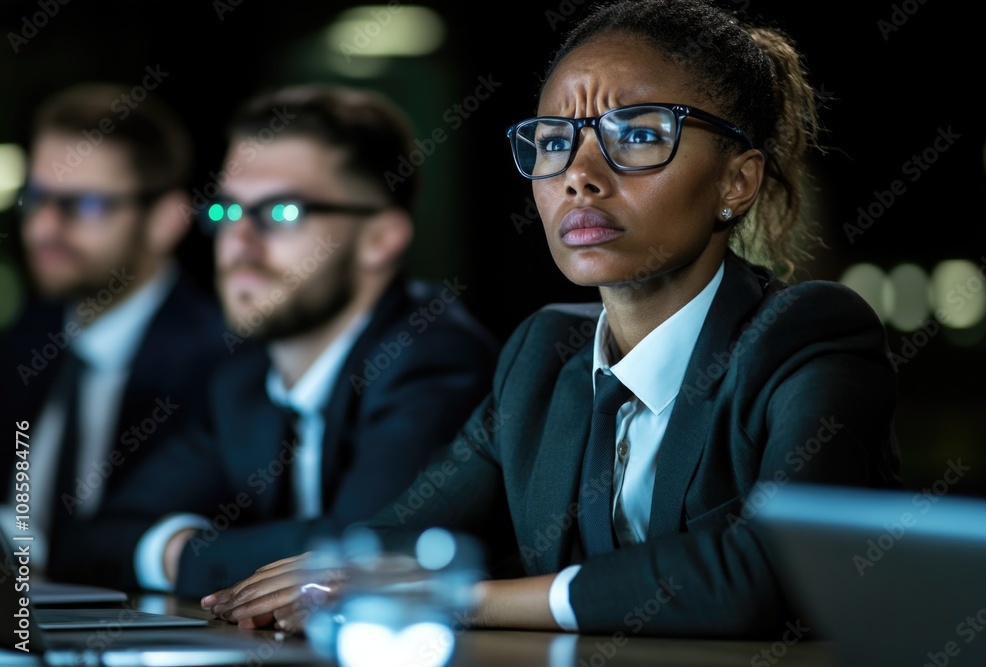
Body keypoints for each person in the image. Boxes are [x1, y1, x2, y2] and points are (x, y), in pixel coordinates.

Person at [198, 0, 903, 638]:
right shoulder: (543, 352)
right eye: (554, 140)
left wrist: (455, 597)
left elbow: (768, 574)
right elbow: (395, 536)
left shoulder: (807, 334)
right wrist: (323, 575)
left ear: (736, 181)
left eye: (638, 134)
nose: (580, 174)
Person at [46, 83, 500, 599]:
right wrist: (182, 552)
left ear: (380, 238)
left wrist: (192, 556)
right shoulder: (241, 382)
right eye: (225, 211)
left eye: (282, 212)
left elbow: (368, 556)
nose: (237, 242)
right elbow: (88, 540)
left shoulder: (434, 358)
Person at [0, 82, 228, 573]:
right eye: (36, 198)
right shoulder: (23, 341)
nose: (43, 229)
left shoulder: (223, 364)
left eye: (84, 205)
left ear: (165, 221)